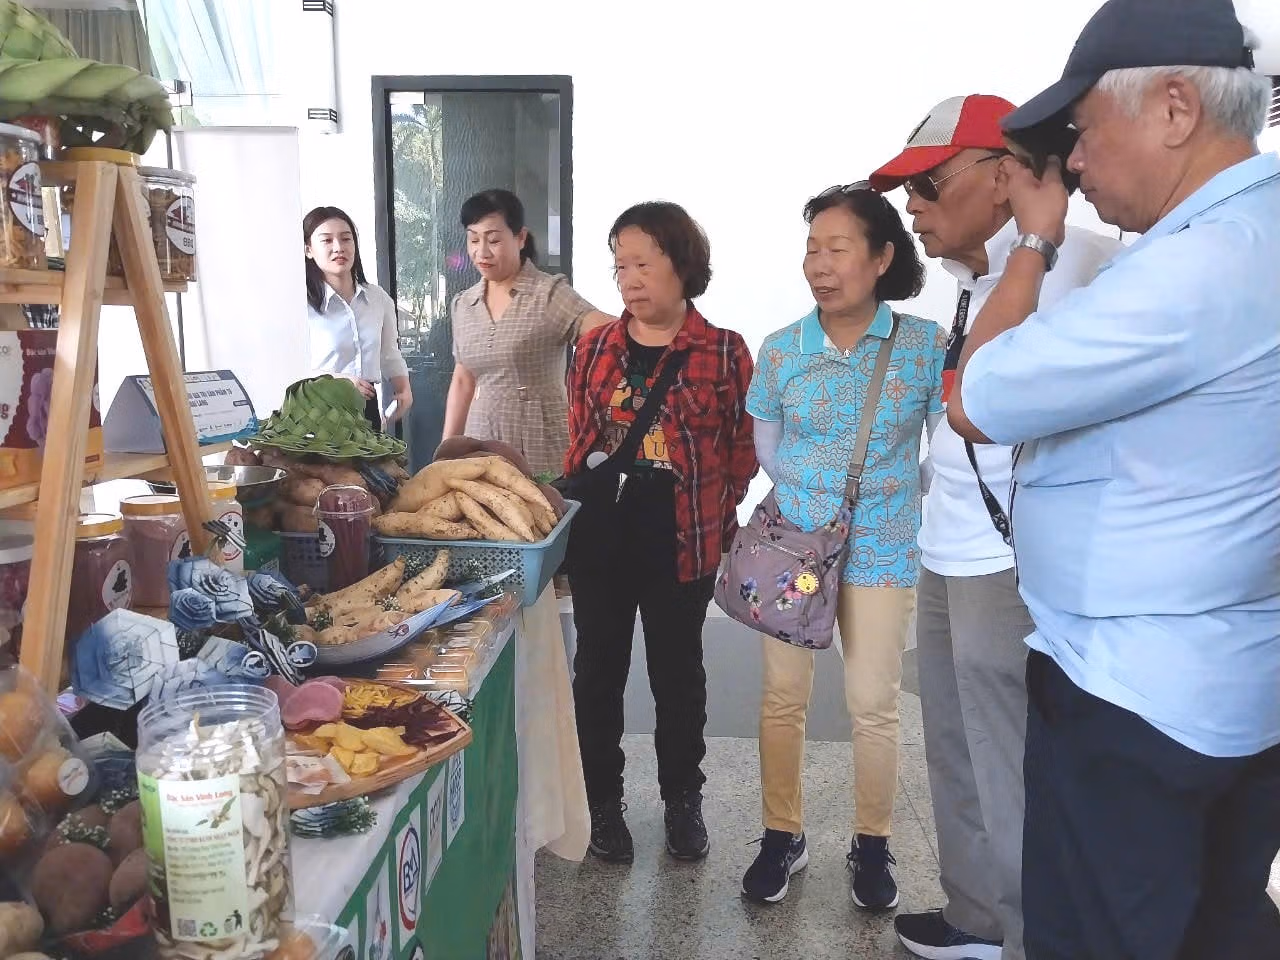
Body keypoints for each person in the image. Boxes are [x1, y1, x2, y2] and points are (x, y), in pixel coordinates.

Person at [947, 2, 1280, 957]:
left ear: (1176, 107)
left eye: (1086, 131)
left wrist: (1035, 242)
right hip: (1227, 673)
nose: (1079, 164)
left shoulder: (1196, 266)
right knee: (1216, 924)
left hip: (1139, 700)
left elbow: (976, 394)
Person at [867, 95, 1120, 960]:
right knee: (954, 743)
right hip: (950, 544)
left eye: (929, 185)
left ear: (1004, 174)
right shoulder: (978, 277)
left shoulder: (1076, 265)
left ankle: (1026, 935)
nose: (913, 209)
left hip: (1008, 560)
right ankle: (975, 914)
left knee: (1007, 759)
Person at [740, 184, 945, 909]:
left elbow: (942, 447)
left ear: (882, 257)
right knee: (783, 696)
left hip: (884, 548)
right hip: (796, 550)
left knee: (873, 702)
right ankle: (781, 834)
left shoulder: (923, 347)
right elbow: (767, 444)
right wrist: (812, 499)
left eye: (837, 248)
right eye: (811, 250)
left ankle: (873, 843)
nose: (819, 265)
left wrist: (899, 492)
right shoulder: (783, 350)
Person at [564, 201, 755, 864]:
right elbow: (581, 440)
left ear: (682, 264)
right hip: (604, 533)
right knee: (597, 672)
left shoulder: (723, 350)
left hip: (682, 531)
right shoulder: (594, 347)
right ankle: (601, 804)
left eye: (643, 264)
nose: (630, 279)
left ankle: (682, 800)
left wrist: (717, 510)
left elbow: (741, 448)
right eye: (621, 266)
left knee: (678, 675)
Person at [444, 189, 613, 478]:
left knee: (545, 505)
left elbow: (608, 335)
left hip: (540, 441)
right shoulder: (464, 304)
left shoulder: (548, 294)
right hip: (481, 441)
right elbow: (463, 381)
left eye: (493, 240)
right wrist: (445, 454)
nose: (481, 252)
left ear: (520, 238)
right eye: (473, 239)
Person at [304, 206, 411, 431]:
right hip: (318, 410)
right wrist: (340, 382)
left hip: (366, 407)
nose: (338, 247)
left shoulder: (378, 298)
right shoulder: (301, 305)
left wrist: (403, 388)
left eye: (346, 239)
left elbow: (389, 353)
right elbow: (292, 368)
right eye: (327, 240)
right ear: (308, 250)